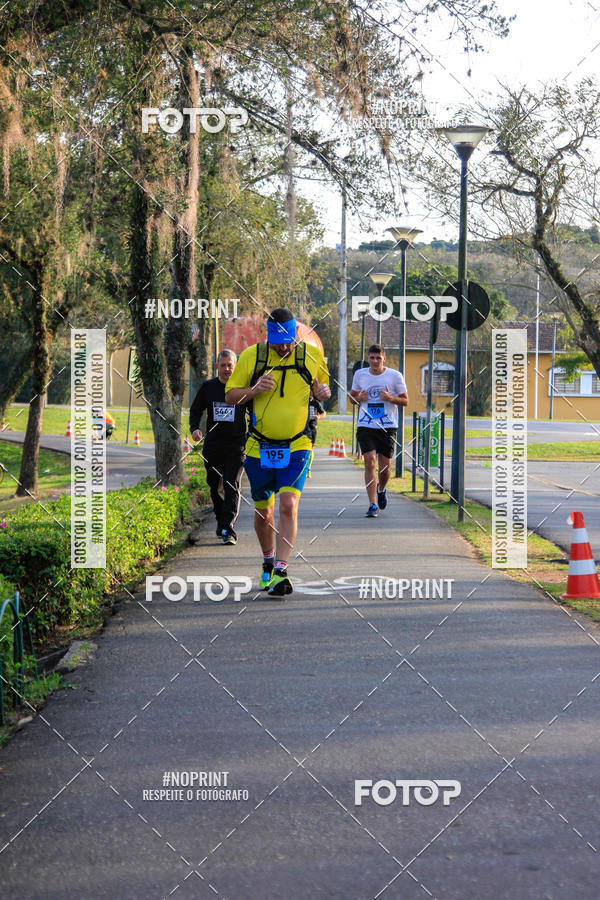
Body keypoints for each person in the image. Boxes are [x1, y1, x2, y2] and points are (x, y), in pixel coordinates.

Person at [225, 308, 330, 597]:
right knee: (264, 513)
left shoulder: (311, 356)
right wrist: (254, 389)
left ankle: (281, 571)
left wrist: (322, 393)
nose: (283, 347)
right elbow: (231, 396)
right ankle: (268, 560)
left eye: (288, 341)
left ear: (296, 334)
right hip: (259, 447)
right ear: (267, 336)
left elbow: (322, 388)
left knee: (288, 506)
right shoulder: (252, 357)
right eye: (277, 342)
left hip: (297, 445)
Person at [189, 349, 246, 545]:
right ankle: (221, 521)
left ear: (235, 366)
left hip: (236, 445)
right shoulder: (208, 388)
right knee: (215, 486)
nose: (227, 369)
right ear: (217, 367)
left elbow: (256, 410)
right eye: (223, 365)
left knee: (232, 485)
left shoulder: (241, 388)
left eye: (230, 365)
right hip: (213, 445)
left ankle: (228, 529)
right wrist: (195, 429)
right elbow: (195, 410)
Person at [350, 344, 408, 518]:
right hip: (366, 425)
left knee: (385, 468)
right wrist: (358, 398)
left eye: (378, 358)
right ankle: (372, 503)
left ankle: (381, 489)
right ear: (368, 358)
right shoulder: (360, 375)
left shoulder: (395, 376)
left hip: (387, 426)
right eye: (372, 358)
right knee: (370, 462)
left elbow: (405, 401)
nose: (375, 361)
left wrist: (390, 398)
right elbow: (352, 397)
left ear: (384, 359)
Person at [307, 393, 326, 477]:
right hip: (302, 428)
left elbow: (324, 413)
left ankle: (308, 469)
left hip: (312, 427)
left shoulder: (316, 403)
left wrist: (318, 416)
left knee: (311, 449)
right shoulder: (302, 401)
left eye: (311, 392)